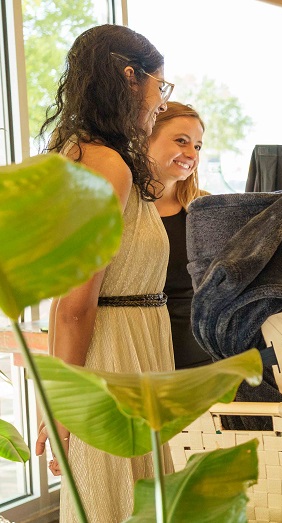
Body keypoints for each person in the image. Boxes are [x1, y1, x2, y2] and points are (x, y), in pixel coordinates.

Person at [32, 25, 172, 522]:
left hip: (131, 352)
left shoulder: (83, 154)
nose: (161, 99)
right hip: (113, 360)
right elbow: (73, 305)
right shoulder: (103, 163)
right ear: (130, 78)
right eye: (161, 85)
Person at [149, 102, 211, 369]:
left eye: (197, 146)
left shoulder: (206, 209)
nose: (191, 153)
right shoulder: (123, 210)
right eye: (181, 141)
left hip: (199, 360)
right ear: (146, 137)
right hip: (139, 356)